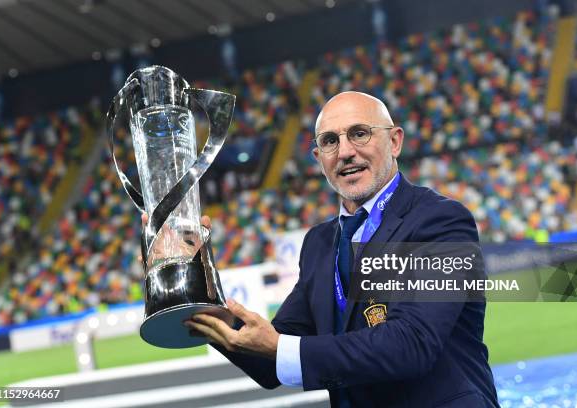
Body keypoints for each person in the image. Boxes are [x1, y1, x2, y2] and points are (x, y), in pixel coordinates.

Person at [185, 91, 500, 407]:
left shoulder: (441, 220)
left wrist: (280, 348)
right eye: (330, 141)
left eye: (359, 134)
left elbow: (412, 343)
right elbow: (269, 359)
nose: (345, 152)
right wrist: (190, 282)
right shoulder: (319, 244)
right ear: (319, 158)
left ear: (395, 142)